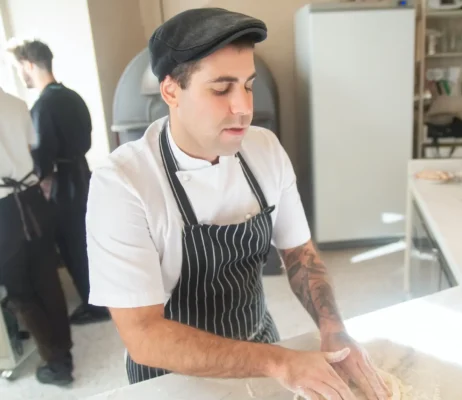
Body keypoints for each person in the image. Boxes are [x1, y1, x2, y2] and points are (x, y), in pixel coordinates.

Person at [86, 8, 391, 400]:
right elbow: (143, 335)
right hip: (171, 376)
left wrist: (333, 326)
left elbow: (300, 254)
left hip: (259, 343)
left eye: (247, 85)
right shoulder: (122, 183)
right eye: (221, 88)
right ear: (170, 91)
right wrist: (279, 362)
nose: (243, 107)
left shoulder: (265, 149)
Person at [6, 39, 110, 325]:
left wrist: (36, 181)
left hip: (63, 186)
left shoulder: (43, 106)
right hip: (83, 174)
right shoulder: (72, 96)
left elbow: (42, 157)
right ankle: (101, 297)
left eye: (19, 68)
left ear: (29, 64)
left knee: (72, 246)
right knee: (87, 241)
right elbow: (86, 138)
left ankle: (97, 305)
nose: (20, 75)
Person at [0, 86, 73, 385]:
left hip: (3, 209)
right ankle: (63, 354)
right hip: (32, 198)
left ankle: (55, 363)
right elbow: (30, 149)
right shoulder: (16, 103)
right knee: (48, 281)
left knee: (20, 291)